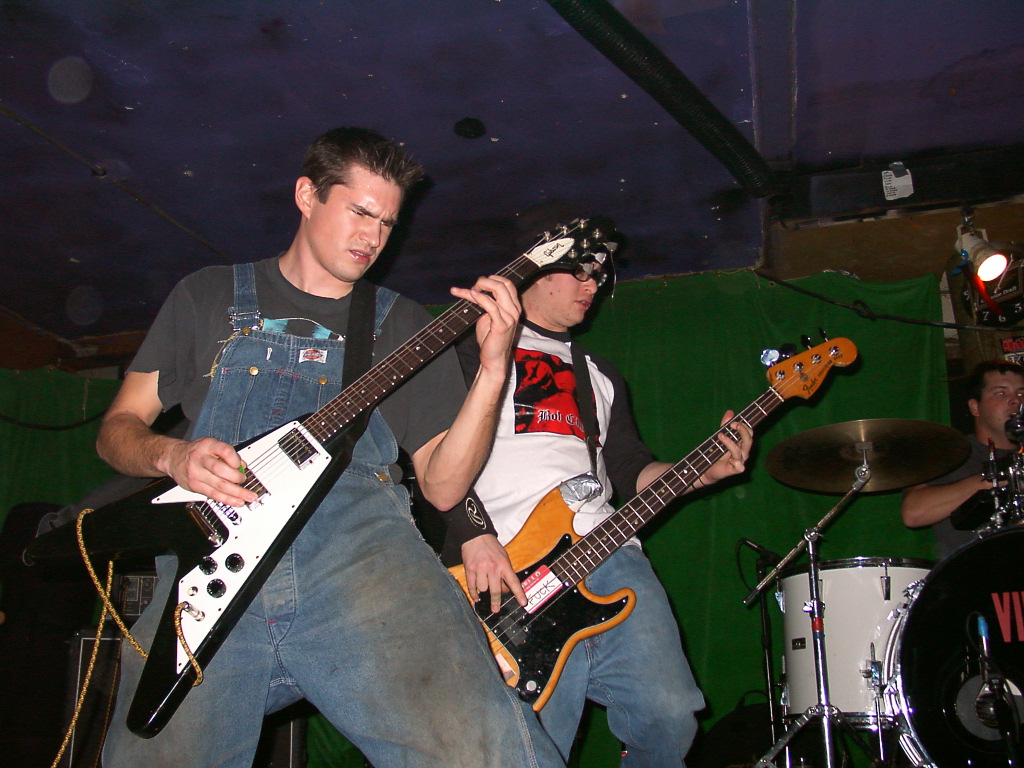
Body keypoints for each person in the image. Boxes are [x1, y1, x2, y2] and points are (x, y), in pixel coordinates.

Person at [96, 127, 565, 768]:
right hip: (211, 573)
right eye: (360, 212)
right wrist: (171, 456)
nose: (374, 237)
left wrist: (492, 369)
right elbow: (117, 429)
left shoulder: (403, 323)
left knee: (482, 748)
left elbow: (444, 486)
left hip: (362, 562)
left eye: (388, 223)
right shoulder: (207, 294)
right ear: (307, 195)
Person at [440, 247, 754, 767]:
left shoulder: (599, 373)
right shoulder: (468, 351)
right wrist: (473, 535)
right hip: (511, 562)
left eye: (600, 274)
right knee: (542, 733)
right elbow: (432, 458)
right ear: (535, 268)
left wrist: (702, 472)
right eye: (581, 270)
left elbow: (631, 470)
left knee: (669, 711)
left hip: (610, 548)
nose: (594, 284)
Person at [901, 359, 1024, 559]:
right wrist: (999, 475)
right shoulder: (952, 454)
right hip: (975, 571)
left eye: (1021, 393)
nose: (1016, 401)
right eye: (1001, 393)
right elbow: (913, 513)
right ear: (975, 407)